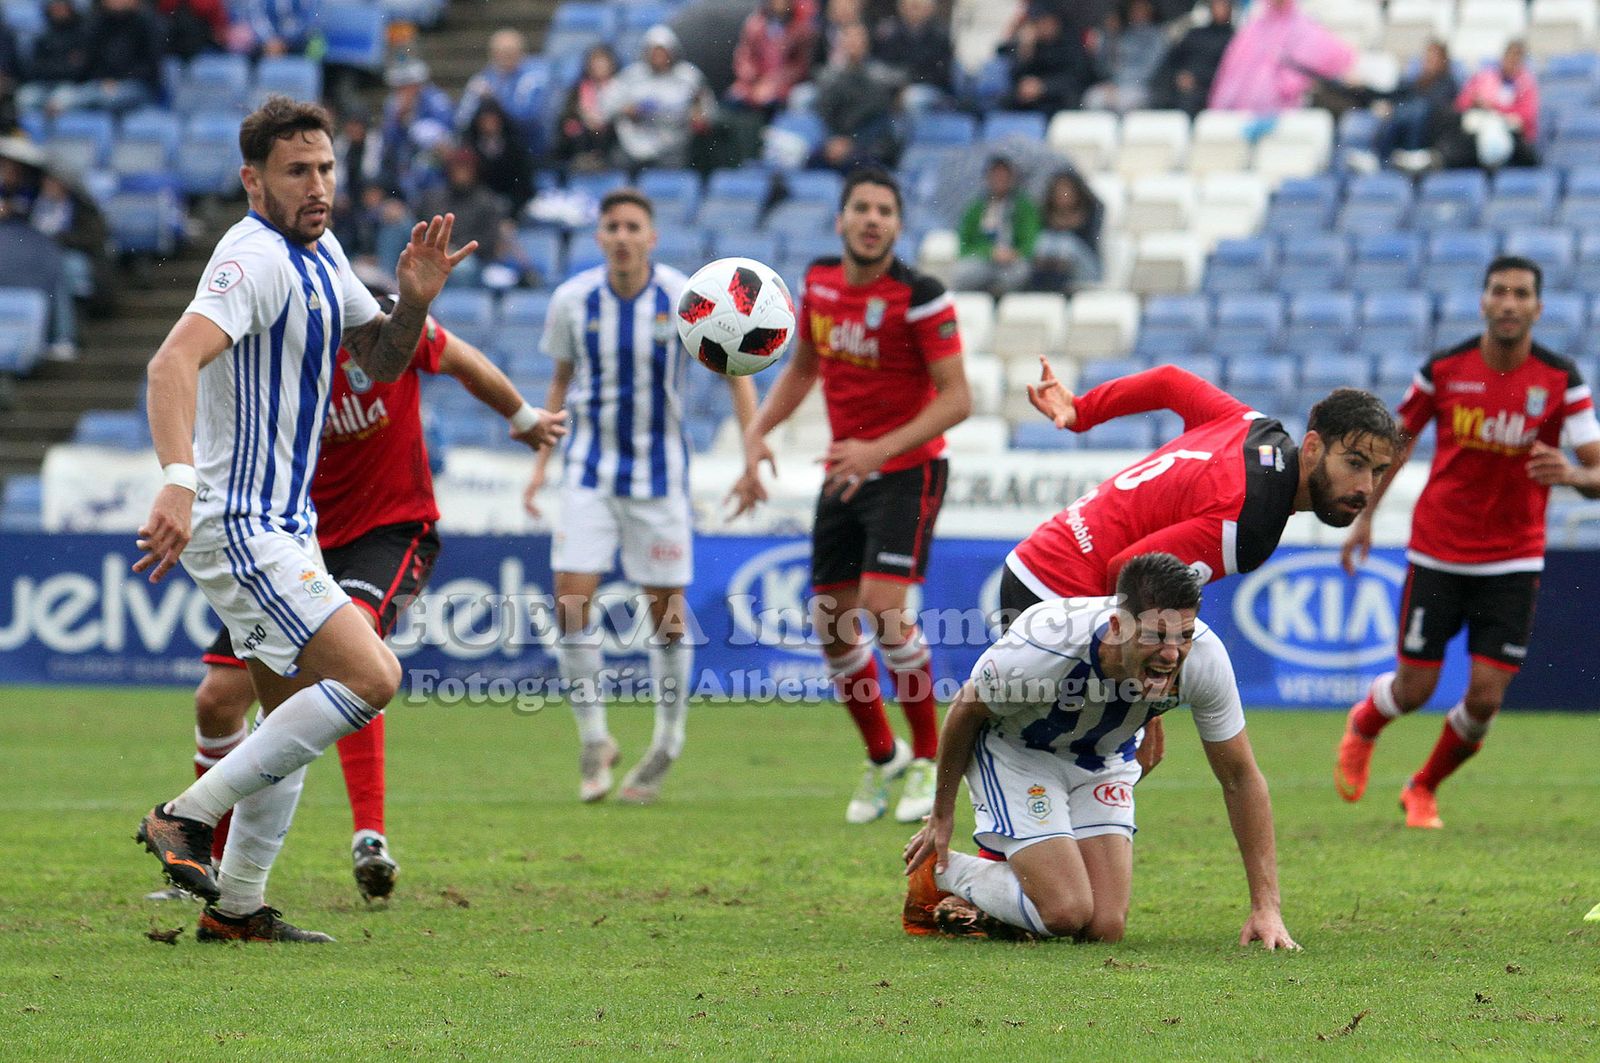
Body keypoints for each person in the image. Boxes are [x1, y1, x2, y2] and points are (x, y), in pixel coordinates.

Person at [131, 95, 477, 943]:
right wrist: (177, 479)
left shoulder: (322, 253)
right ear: (253, 181)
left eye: (325, 167)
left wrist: (413, 302)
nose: (318, 184)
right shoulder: (252, 260)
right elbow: (170, 363)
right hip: (241, 522)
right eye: (296, 171)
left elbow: (382, 359)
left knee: (290, 716)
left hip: (286, 524)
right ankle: (185, 814)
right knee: (373, 676)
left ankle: (237, 908)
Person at [149, 299, 564, 903]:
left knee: (354, 658)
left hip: (389, 533)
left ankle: (367, 835)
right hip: (294, 543)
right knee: (218, 701)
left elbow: (465, 361)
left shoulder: (390, 329)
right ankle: (211, 873)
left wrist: (523, 417)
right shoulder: (284, 354)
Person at [1016, 361, 1400, 776]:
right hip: (1058, 595)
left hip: (1041, 557)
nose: (1366, 487)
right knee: (1077, 775)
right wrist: (1144, 694)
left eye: (1378, 471)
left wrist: (1084, 410)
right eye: (1355, 463)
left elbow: (1168, 381)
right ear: (1311, 448)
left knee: (1078, 773)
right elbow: (1129, 571)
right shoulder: (1252, 523)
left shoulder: (1255, 427)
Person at [730, 168, 971, 825]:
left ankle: (929, 756)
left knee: (884, 610)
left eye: (884, 210)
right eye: (861, 208)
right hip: (846, 470)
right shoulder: (818, 282)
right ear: (840, 220)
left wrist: (878, 450)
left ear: (898, 225)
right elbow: (805, 365)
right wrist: (758, 430)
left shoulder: (920, 295)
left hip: (908, 469)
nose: (872, 219)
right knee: (831, 625)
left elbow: (958, 399)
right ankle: (884, 755)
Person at [902, 553, 1298, 948]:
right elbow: (965, 710)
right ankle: (941, 872)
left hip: (1105, 758)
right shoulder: (1042, 649)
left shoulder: (1205, 659)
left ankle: (993, 903)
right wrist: (942, 814)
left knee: (1104, 927)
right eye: (1156, 636)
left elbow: (1240, 777)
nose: (1172, 654)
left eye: (1184, 635)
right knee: (1066, 911)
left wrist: (1266, 908)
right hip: (1017, 753)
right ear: (1117, 627)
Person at [1335, 256, 1600, 829]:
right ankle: (1366, 723)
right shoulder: (1444, 369)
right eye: (1499, 291)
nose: (1509, 303)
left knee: (1484, 700)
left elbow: (1596, 471)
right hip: (1439, 548)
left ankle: (1423, 786)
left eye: (1521, 294)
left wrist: (1573, 474)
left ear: (1538, 307)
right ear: (1483, 301)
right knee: (1415, 688)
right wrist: (1365, 518)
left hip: (1513, 557)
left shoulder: (1562, 379)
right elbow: (1397, 444)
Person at [523, 189, 758, 804]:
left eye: (633, 226)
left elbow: (734, 369)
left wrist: (751, 452)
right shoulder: (572, 300)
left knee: (667, 619)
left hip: (660, 479)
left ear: (652, 237)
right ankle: (595, 739)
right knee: (570, 602)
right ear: (599, 236)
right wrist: (540, 464)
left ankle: (668, 740)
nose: (622, 236)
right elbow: (560, 381)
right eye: (613, 226)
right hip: (588, 472)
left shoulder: (685, 300)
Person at [1207, 0, 1353, 115]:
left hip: (1290, 110)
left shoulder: (1303, 26)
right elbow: (1231, 74)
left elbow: (1335, 58)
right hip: (1246, 112)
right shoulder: (1252, 30)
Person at [601, 25, 714, 171]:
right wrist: (625, 110)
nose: (659, 57)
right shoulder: (632, 75)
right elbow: (606, 105)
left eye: (663, 52)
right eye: (654, 52)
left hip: (675, 145)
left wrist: (698, 113)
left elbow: (708, 109)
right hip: (634, 143)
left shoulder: (688, 76)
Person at [809, 21, 904, 171]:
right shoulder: (830, 78)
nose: (853, 43)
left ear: (867, 43)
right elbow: (825, 115)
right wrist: (832, 140)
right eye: (849, 38)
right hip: (836, 142)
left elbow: (880, 120)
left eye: (858, 39)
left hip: (870, 143)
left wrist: (851, 142)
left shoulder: (881, 78)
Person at [1440, 40, 1540, 170]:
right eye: (1509, 57)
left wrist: (1494, 108)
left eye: (1516, 58)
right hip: (1479, 131)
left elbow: (1526, 117)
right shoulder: (1485, 78)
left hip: (1512, 134)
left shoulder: (1526, 84)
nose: (1511, 62)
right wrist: (1475, 102)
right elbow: (1461, 103)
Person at [952, 155, 1040, 298]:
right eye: (996, 175)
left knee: (1020, 271)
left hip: (1013, 261)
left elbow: (1031, 240)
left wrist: (1015, 253)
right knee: (962, 272)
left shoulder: (1024, 206)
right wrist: (989, 252)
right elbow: (964, 245)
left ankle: (999, 297)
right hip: (984, 260)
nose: (1000, 180)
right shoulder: (976, 208)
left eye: (1004, 176)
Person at [1367, 39, 1458, 172]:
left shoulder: (1448, 83)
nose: (1429, 62)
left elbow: (1436, 105)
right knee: (1397, 109)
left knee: (1417, 108)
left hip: (1429, 133)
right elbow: (1395, 94)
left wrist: (1398, 109)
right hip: (1406, 128)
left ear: (1443, 60)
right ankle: (1380, 157)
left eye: (1434, 58)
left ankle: (1398, 155)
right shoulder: (1418, 81)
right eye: (1427, 58)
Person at [454, 28, 548, 154]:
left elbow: (528, 117)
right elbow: (462, 119)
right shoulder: (484, 78)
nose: (505, 57)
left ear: (521, 52)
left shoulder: (534, 77)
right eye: (500, 52)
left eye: (510, 52)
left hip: (526, 144)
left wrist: (495, 99)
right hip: (489, 146)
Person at [1081, 0, 1168, 115]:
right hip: (1113, 86)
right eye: (1134, 9)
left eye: (1141, 9)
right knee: (1092, 98)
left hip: (1141, 87)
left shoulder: (1157, 36)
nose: (1137, 13)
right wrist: (1106, 44)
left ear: (1150, 11)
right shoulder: (1122, 34)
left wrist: (1119, 84)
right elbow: (1105, 69)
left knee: (1124, 102)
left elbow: (1150, 70)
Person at [1148, 0, 1233, 115]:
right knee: (1160, 94)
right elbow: (1172, 60)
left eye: (1223, 5)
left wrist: (1197, 79)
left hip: (1208, 88)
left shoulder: (1233, 39)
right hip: (1180, 84)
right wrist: (1178, 76)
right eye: (1217, 5)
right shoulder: (1195, 33)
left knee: (1189, 101)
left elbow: (1227, 71)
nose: (1220, 9)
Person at [872, 0, 953, 113]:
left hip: (931, 88)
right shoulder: (891, 33)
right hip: (895, 85)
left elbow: (941, 74)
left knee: (912, 98)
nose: (911, 11)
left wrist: (908, 83)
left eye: (916, 7)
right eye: (907, 6)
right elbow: (884, 64)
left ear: (929, 9)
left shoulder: (940, 36)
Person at [1029, 168, 1102, 292]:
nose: (1063, 194)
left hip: (1086, 271)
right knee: (1044, 241)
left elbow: (1089, 243)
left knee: (1065, 244)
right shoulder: (1046, 216)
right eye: (1059, 191)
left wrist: (1073, 224)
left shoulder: (1090, 213)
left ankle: (1058, 286)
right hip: (1050, 273)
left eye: (1067, 190)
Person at [555, 43, 619, 173]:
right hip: (583, 132)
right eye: (595, 63)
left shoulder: (619, 87)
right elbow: (568, 111)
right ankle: (581, 159)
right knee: (571, 126)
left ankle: (599, 160)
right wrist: (584, 116)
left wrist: (602, 120)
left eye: (602, 63)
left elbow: (620, 111)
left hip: (609, 133)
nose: (598, 67)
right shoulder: (578, 89)